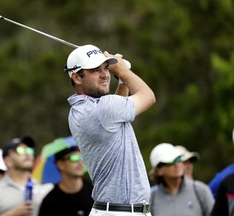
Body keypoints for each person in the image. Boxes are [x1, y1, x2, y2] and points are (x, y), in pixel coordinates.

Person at [65, 44, 156, 215]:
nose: (105, 74)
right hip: (121, 211)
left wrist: (122, 81)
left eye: (106, 68)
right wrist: (122, 72)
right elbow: (148, 97)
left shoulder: (77, 111)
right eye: (95, 70)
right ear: (77, 77)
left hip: (113, 210)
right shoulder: (104, 109)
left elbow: (115, 113)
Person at [0, 137, 53, 216]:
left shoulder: (46, 187)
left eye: (29, 150)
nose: (27, 154)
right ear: (8, 161)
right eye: (21, 150)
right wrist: (12, 214)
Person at [150, 143, 214, 216]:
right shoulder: (151, 198)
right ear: (158, 170)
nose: (177, 164)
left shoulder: (201, 191)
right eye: (170, 162)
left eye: (179, 159)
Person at [38, 145, 93, 216]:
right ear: (60, 164)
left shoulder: (95, 192)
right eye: (74, 158)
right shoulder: (50, 201)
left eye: (81, 157)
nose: (80, 162)